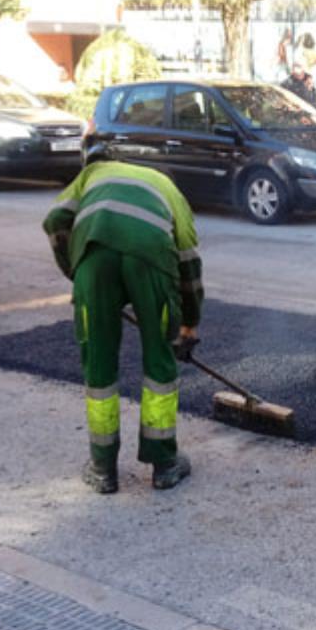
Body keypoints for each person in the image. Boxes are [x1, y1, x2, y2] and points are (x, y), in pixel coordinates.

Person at [42, 160, 203, 494]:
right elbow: (188, 262)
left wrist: (76, 271)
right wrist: (189, 323)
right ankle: (164, 466)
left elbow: (55, 220)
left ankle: (102, 469)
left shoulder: (95, 172)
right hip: (151, 260)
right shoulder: (171, 192)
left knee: (99, 364)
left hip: (94, 260)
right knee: (159, 361)